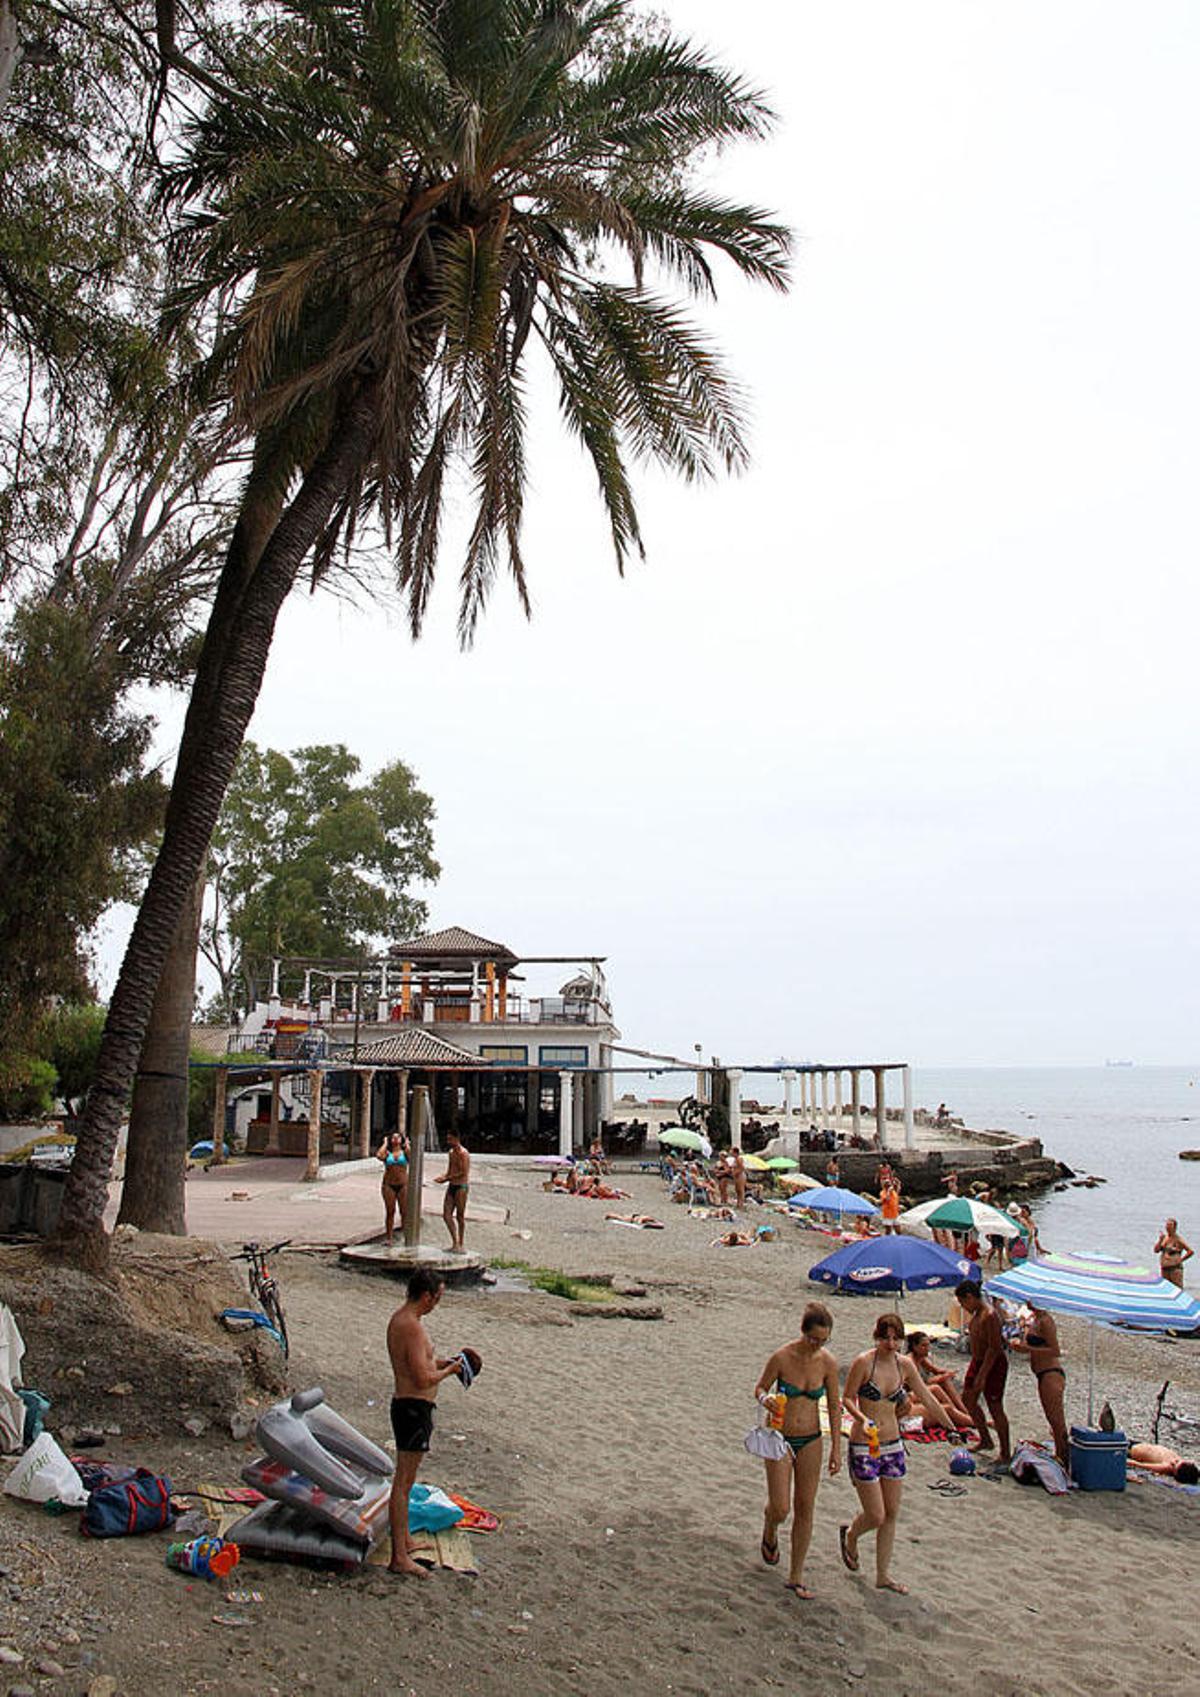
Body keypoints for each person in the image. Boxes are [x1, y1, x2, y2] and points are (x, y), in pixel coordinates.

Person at [839, 1312, 947, 1593]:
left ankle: (883, 1574)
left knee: (892, 1512)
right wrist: (861, 1418)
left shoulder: (905, 1366)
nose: (890, 1343)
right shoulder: (864, 1363)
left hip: (893, 1443)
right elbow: (847, 1398)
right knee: (875, 1514)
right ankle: (851, 1535)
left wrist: (951, 1428)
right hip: (865, 1442)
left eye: (895, 1338)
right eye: (885, 1338)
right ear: (876, 1337)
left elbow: (927, 1397)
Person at [753, 1302, 841, 1599]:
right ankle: (770, 1528)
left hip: (812, 1438)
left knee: (806, 1505)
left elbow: (833, 1406)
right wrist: (766, 1399)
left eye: (823, 1340)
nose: (816, 1345)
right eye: (813, 1339)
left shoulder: (828, 1363)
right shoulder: (782, 1357)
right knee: (781, 1507)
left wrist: (836, 1449)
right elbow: (760, 1388)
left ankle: (796, 1575)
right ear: (803, 1333)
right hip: (779, 1436)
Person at [385, 1267, 463, 1577]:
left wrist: (446, 1362)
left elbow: (418, 1363)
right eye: (438, 1297)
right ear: (427, 1296)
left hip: (410, 1408)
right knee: (403, 1482)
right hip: (412, 1408)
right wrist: (448, 1373)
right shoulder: (411, 1326)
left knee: (407, 1479)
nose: (437, 1304)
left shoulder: (403, 1320)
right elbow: (420, 1378)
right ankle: (399, 1557)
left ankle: (404, 1540)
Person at [955, 1280, 1011, 1463]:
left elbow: (994, 1348)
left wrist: (982, 1375)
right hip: (978, 1360)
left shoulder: (990, 1315)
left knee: (995, 1406)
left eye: (963, 1303)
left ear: (970, 1297)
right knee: (968, 1399)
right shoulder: (978, 1314)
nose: (963, 1307)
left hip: (993, 1363)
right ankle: (985, 1439)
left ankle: (1005, 1452)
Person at [1009, 1305, 1068, 1465]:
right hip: (1043, 1373)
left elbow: (1055, 1350)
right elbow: (1035, 1349)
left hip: (1051, 1373)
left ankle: (1063, 1459)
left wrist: (1026, 1347)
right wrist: (1019, 1348)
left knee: (1057, 1421)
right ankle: (1060, 1455)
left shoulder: (1046, 1321)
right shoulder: (1035, 1319)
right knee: (1052, 1419)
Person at [903, 1332, 973, 1430]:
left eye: (928, 1345)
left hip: (914, 1393)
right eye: (924, 1346)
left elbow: (935, 1370)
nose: (927, 1348)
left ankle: (962, 1412)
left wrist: (946, 1373)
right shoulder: (910, 1361)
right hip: (910, 1394)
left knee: (944, 1381)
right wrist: (940, 1378)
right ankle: (960, 1414)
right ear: (914, 1347)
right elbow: (917, 1386)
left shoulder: (920, 1357)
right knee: (938, 1387)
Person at [435, 1129, 471, 1252]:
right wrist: (444, 1176)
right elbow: (450, 1169)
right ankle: (454, 1241)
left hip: (461, 1186)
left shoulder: (463, 1153)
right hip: (452, 1185)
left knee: (460, 1216)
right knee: (446, 1214)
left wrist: (446, 1178)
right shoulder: (451, 1153)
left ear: (457, 1139)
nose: (448, 1141)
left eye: (450, 1139)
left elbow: (463, 1172)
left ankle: (461, 1242)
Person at [375, 1130, 409, 1246]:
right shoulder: (387, 1154)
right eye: (393, 1138)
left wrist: (407, 1144)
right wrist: (385, 1143)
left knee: (404, 1212)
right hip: (388, 1184)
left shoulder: (404, 1153)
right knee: (390, 1211)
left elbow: (411, 1155)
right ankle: (389, 1237)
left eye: (398, 1137)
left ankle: (406, 1237)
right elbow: (379, 1155)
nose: (395, 1139)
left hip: (402, 1184)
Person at [1127, 1442, 1199, 1485]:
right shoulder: (1182, 1462)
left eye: (1173, 1465)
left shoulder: (1166, 1467)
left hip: (1131, 1450)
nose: (1173, 1462)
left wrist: (1128, 1462)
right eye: (1177, 1461)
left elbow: (1142, 1466)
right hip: (1141, 1445)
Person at [1154, 1219, 1193, 1289]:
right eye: (1167, 1225)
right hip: (1164, 1268)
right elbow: (1156, 1250)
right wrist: (1160, 1240)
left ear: (1174, 1227)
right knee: (1165, 1288)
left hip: (1175, 1269)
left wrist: (1181, 1260)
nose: (1168, 1227)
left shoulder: (1178, 1239)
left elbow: (1190, 1251)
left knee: (1177, 1288)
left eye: (1170, 1225)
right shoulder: (1164, 1238)